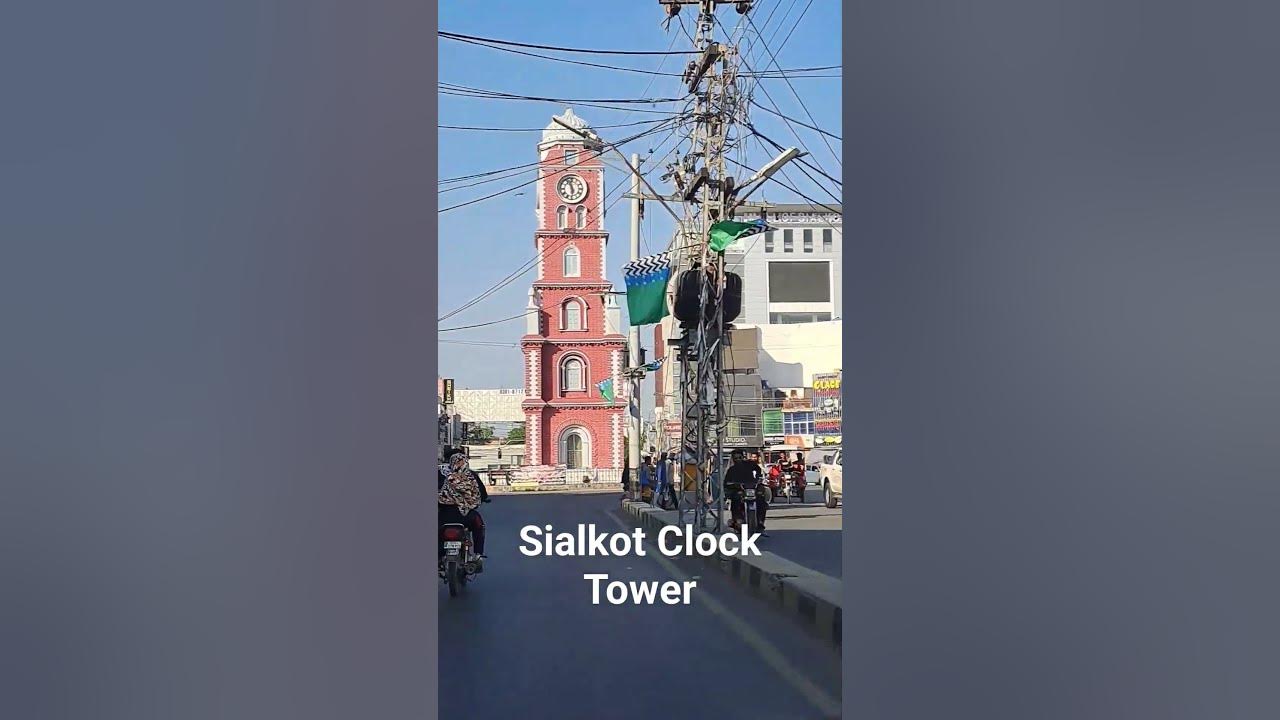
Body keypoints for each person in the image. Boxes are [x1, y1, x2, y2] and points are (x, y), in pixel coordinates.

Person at [438, 447, 489, 561]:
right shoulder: (470, 476)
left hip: (444, 516)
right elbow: (481, 493)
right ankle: (478, 555)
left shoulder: (441, 474)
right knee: (479, 525)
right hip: (466, 517)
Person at [724, 449, 768, 535]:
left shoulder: (750, 464)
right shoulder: (731, 470)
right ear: (733, 459)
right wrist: (732, 485)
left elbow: (758, 470)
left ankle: (760, 524)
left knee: (761, 501)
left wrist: (757, 478)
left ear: (743, 457)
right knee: (735, 500)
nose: (738, 459)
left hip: (751, 488)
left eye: (740, 457)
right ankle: (737, 521)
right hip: (739, 490)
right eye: (736, 458)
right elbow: (726, 482)